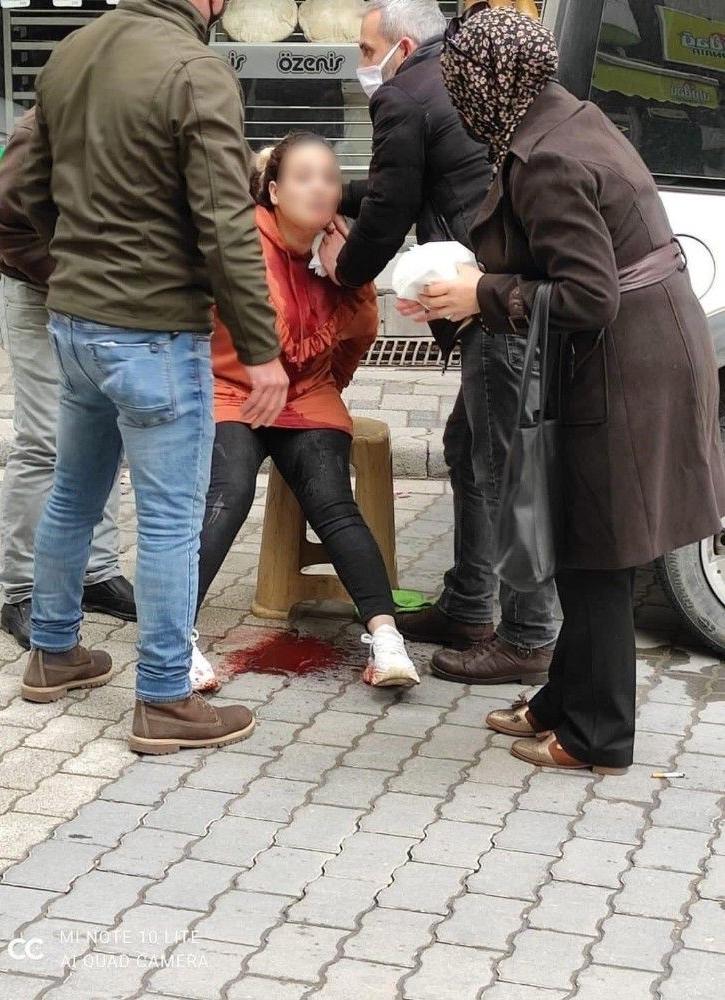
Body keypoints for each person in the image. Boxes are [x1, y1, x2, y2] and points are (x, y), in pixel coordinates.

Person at [400, 4, 725, 772]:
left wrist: (480, 292)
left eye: (459, 85)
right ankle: (562, 699)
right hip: (637, 350)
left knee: (598, 552)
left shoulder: (547, 154)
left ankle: (598, 736)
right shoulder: (561, 117)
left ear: (487, 82)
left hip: (626, 362)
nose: (456, 100)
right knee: (581, 542)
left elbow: (588, 295)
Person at [18, 0, 289, 756]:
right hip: (153, 332)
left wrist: (78, 266)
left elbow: (29, 189)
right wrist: (260, 347)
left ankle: (52, 651)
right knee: (171, 519)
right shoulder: (195, 70)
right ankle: (165, 697)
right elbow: (227, 224)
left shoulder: (73, 51)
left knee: (75, 492)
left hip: (76, 321)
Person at [320, 0, 558, 683]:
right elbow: (408, 181)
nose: (362, 65)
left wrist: (344, 273)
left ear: (402, 46)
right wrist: (333, 193)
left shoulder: (406, 93)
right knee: (466, 447)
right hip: (502, 288)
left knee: (505, 468)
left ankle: (528, 637)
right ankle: (469, 603)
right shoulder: (450, 80)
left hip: (489, 298)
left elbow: (390, 208)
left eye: (367, 51)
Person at [193, 133, 420, 690]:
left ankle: (387, 639)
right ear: (273, 190)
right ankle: (173, 636)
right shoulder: (241, 240)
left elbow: (359, 336)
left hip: (307, 392)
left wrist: (323, 387)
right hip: (232, 388)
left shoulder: (343, 250)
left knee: (332, 502)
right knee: (229, 492)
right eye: (303, 177)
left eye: (330, 178)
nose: (320, 188)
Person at [0, 110, 136, 651]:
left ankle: (95, 572)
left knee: (105, 435)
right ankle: (23, 589)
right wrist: (74, 275)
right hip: (36, 299)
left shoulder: (128, 116)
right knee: (45, 442)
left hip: (102, 302)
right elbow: (1, 224)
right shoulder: (41, 126)